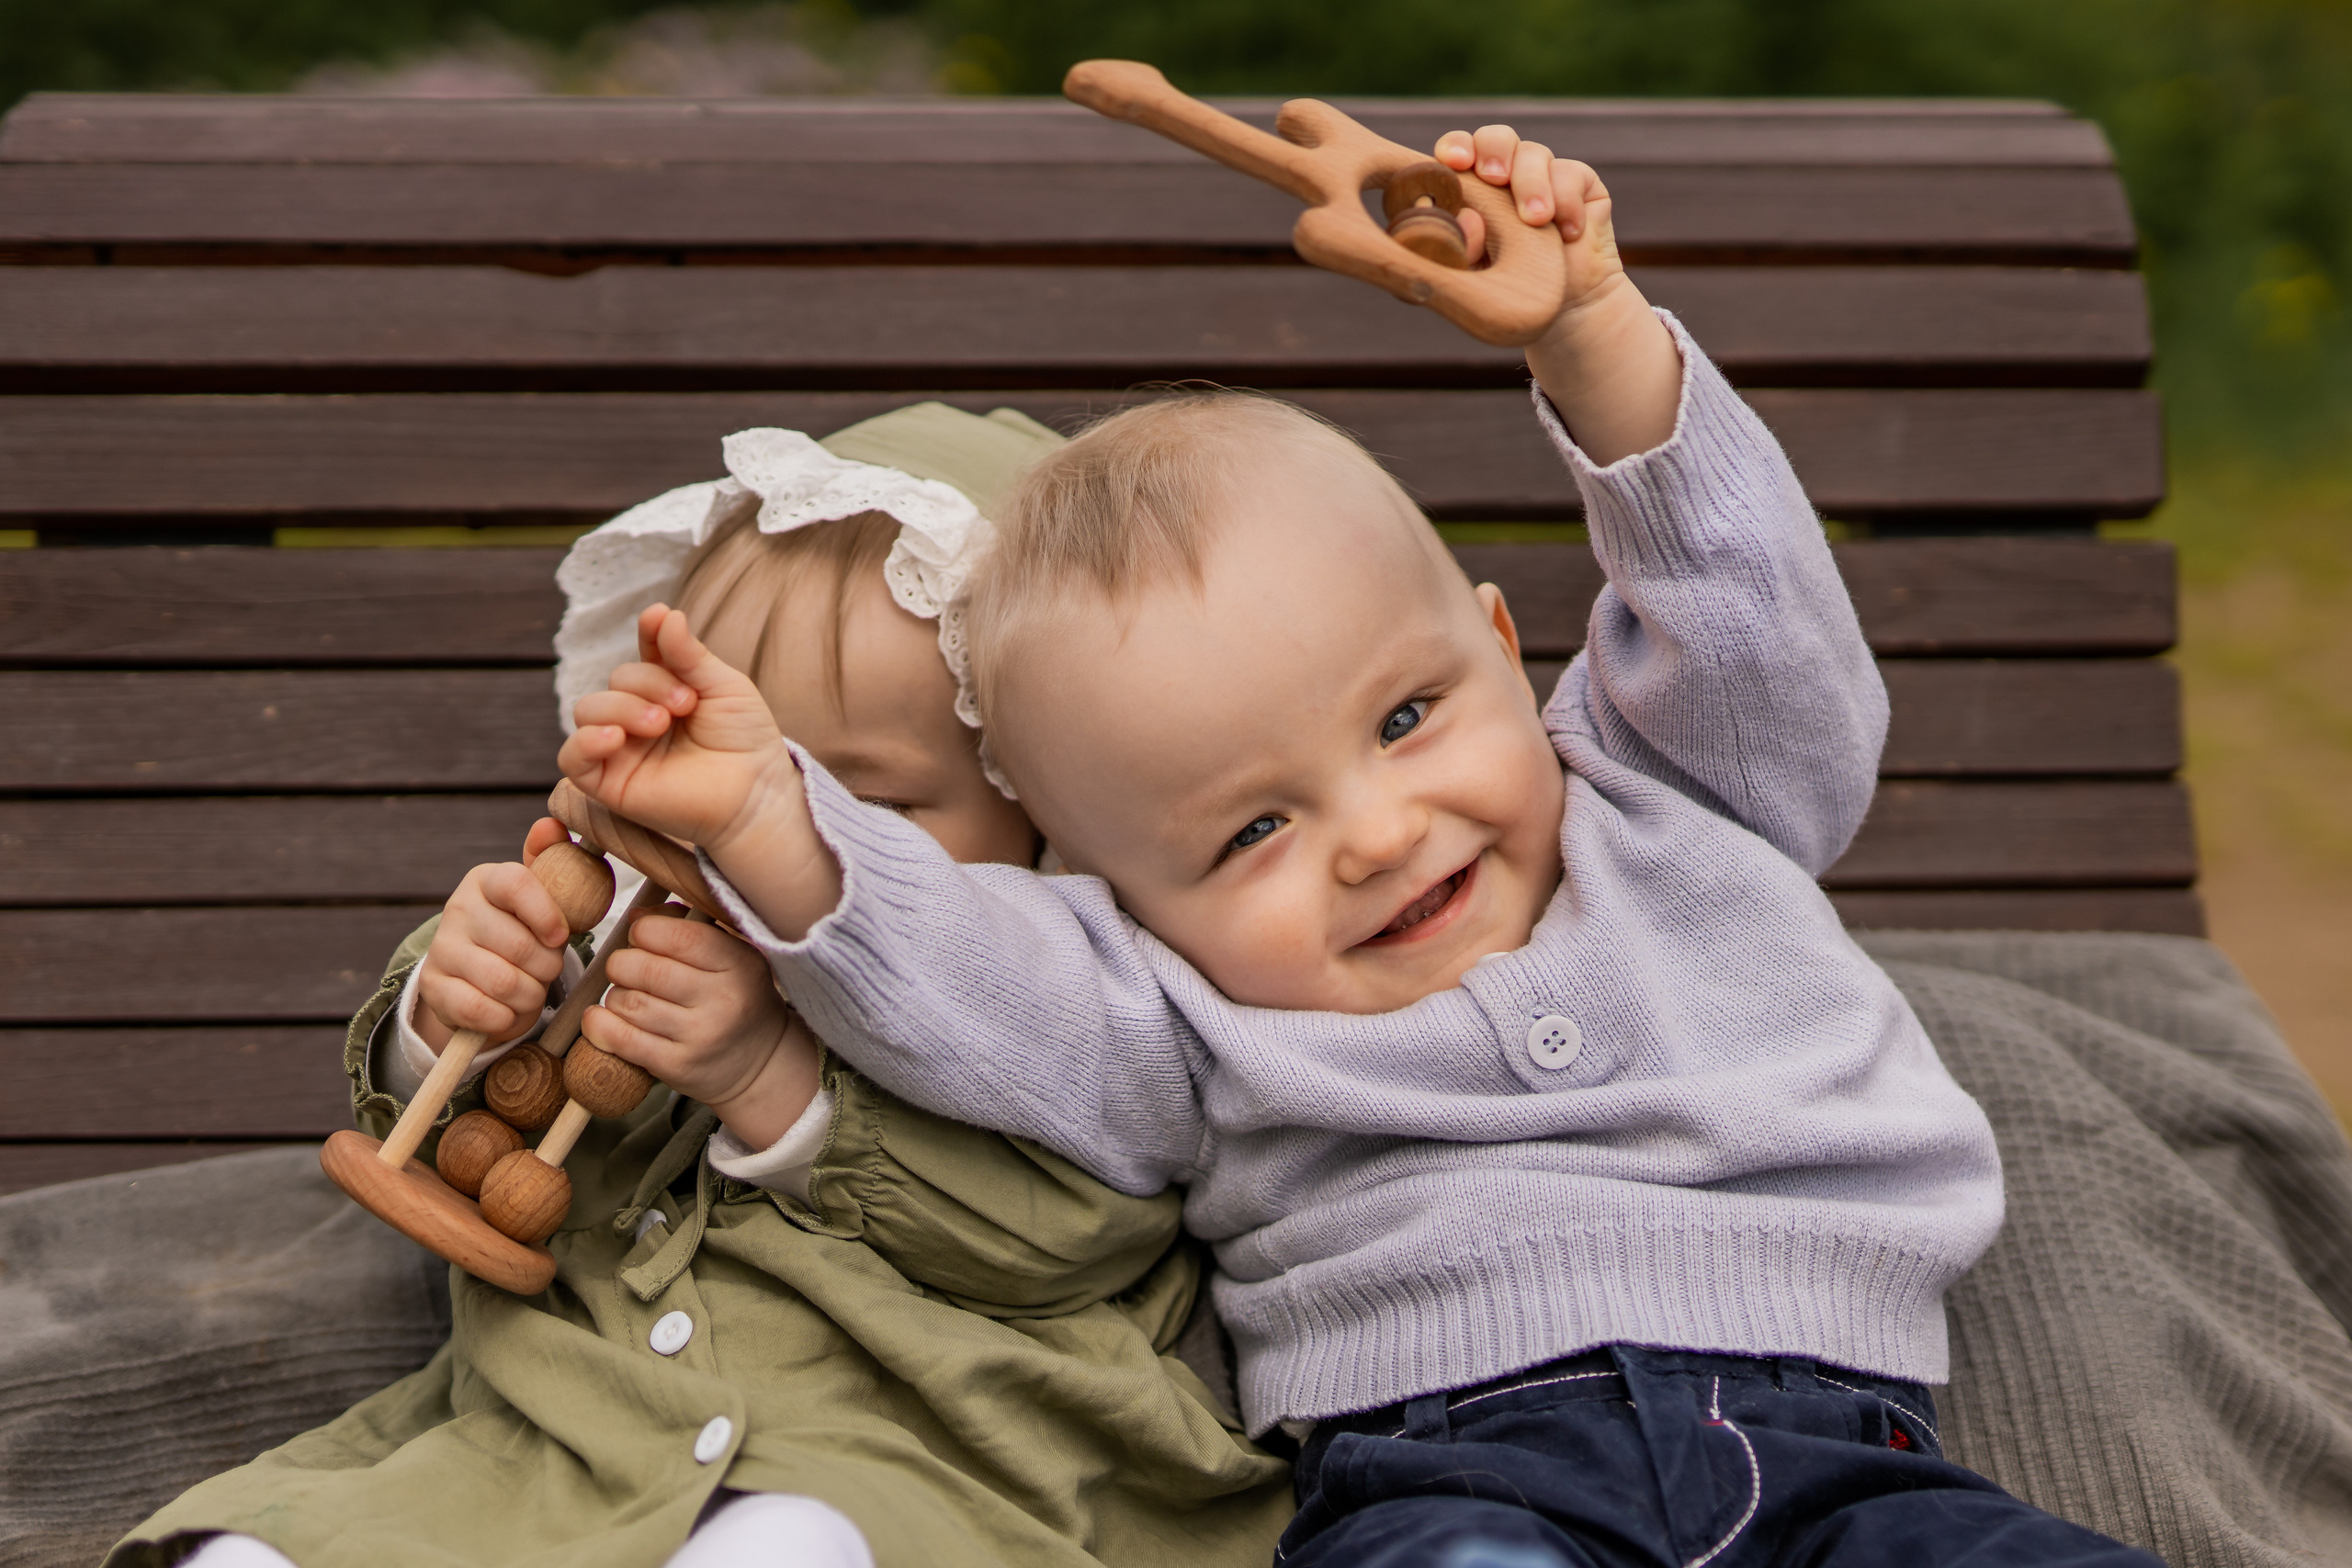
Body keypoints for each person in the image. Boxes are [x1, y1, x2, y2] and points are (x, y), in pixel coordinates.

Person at [555, 128, 2170, 1566]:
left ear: (1496, 643)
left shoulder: (1687, 787)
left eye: (1406, 718)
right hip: (1451, 1473)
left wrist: (1592, 333)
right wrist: (772, 816)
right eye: (1251, 829)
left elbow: (1750, 617)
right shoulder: (1176, 1010)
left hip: (1840, 1451)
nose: (1380, 836)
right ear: (1125, 894)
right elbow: (979, 984)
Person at [108, 405, 1292, 1568]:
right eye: (725, 770)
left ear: (1051, 830)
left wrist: (773, 1083)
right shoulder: (619, 925)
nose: (748, 831)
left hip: (921, 1457)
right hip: (566, 1436)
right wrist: (459, 1006)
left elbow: (1068, 1236)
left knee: (790, 1542)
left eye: (863, 805)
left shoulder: (1071, 1009)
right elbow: (465, 1138)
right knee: (286, 1541)